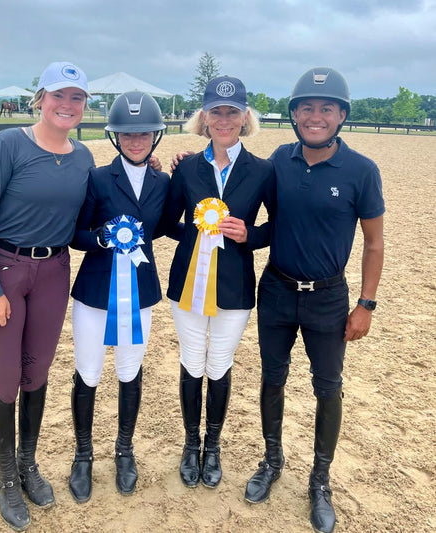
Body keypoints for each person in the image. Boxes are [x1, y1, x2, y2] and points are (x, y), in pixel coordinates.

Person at [244, 67, 385, 533]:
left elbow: (374, 243)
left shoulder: (362, 171)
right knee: (273, 377)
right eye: (307, 107)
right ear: (294, 114)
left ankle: (320, 481)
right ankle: (272, 459)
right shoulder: (278, 161)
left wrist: (366, 304)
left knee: (328, 386)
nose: (316, 116)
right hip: (278, 290)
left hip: (328, 297)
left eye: (326, 108)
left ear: (341, 115)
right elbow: (256, 211)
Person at [0, 61, 94, 531]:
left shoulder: (83, 157)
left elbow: (84, 224)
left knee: (36, 372)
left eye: (76, 97)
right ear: (40, 98)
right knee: (3, 377)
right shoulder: (8, 145)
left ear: (84, 105)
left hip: (54, 272)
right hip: (2, 270)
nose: (67, 104)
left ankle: (27, 462)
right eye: (58, 95)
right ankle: (4, 476)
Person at [163, 76, 275, 490]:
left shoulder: (263, 171)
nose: (223, 119)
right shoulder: (187, 167)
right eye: (216, 112)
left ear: (244, 117)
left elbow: (274, 228)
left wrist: (250, 235)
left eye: (232, 112)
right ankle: (191, 445)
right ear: (204, 117)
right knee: (193, 361)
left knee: (219, 363)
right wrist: (194, 237)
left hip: (235, 287)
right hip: (188, 284)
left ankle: (214, 446)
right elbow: (166, 221)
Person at [67, 91, 170, 502]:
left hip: (139, 290)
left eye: (144, 132)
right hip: (95, 290)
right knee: (88, 372)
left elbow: (172, 224)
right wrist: (104, 238)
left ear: (155, 136)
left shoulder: (165, 182)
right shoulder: (95, 178)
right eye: (127, 134)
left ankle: (124, 450)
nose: (136, 139)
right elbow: (75, 235)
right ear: (115, 137)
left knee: (129, 370)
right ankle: (83, 454)